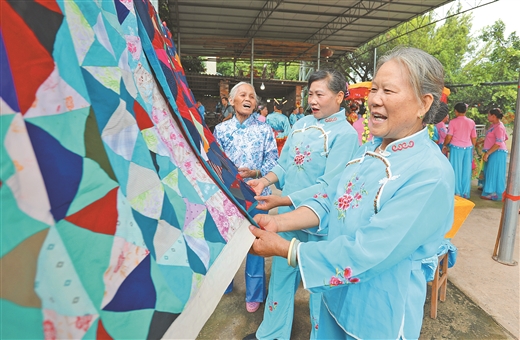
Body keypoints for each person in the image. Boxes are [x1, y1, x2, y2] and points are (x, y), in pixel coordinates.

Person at [247, 47, 455, 339]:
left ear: (424, 103)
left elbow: (367, 251)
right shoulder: (369, 149)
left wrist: (286, 248)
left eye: (388, 91)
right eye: (374, 89)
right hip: (337, 293)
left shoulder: (430, 174)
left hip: (376, 312)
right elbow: (331, 197)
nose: (374, 99)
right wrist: (278, 223)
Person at [244, 69, 359, 340]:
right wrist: (264, 181)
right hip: (286, 216)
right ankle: (272, 334)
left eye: (321, 94)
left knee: (319, 288)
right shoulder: (301, 124)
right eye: (311, 94)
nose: (313, 100)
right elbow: (283, 165)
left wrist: (282, 199)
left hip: (320, 224)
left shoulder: (346, 135)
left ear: (340, 96)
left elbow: (329, 187)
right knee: (281, 280)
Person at [213, 82, 279, 313]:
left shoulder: (264, 130)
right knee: (227, 241)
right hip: (228, 196)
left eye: (252, 95)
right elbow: (214, 161)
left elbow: (273, 161)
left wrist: (256, 173)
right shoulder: (220, 130)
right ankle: (225, 283)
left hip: (257, 195)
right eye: (242, 95)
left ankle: (255, 293)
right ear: (232, 101)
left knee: (255, 244)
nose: (248, 98)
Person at [442, 102, 477, 198]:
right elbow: (474, 137)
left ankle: (456, 192)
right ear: (465, 111)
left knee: (456, 170)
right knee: (466, 171)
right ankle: (465, 192)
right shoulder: (471, 122)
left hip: (456, 148)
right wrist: (473, 147)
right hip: (468, 148)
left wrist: (445, 145)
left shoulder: (453, 122)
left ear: (456, 112)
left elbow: (449, 136)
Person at [480, 108, 508, 201]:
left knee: (494, 172)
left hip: (498, 152)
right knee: (490, 171)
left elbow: (499, 143)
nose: (488, 117)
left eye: (489, 115)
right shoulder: (494, 125)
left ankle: (493, 193)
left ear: (494, 116)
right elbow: (505, 137)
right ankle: (490, 191)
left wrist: (488, 153)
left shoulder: (499, 127)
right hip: (493, 151)